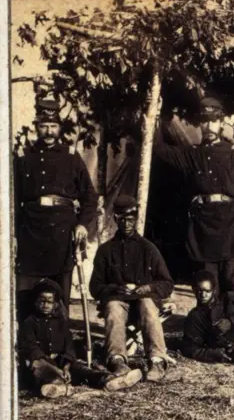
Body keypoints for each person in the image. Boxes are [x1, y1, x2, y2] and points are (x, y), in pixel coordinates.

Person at [153, 95, 234, 295]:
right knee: (207, 286)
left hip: (232, 227)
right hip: (203, 230)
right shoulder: (192, 155)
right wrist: (156, 115)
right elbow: (159, 149)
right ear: (199, 124)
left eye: (214, 121)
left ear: (221, 123)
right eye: (204, 121)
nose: (209, 126)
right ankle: (210, 325)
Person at [14, 97, 97, 319]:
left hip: (62, 232)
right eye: (44, 126)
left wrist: (82, 224)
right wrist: (14, 233)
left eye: (53, 126)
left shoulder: (71, 157)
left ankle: (61, 343)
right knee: (26, 291)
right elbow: (13, 199)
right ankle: (28, 343)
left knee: (60, 290)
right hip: (31, 232)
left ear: (59, 128)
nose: (49, 131)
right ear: (37, 127)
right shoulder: (24, 158)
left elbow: (90, 197)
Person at [89, 195, 174, 382]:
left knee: (148, 304)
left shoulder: (148, 249)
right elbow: (95, 287)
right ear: (115, 219)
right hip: (119, 302)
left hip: (143, 303)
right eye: (122, 219)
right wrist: (115, 289)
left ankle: (157, 361)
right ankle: (117, 360)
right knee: (113, 307)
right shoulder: (105, 250)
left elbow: (167, 284)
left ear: (136, 219)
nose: (127, 223)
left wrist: (147, 288)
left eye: (131, 219)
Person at [19, 279, 143, 399]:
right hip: (42, 362)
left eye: (49, 302)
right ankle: (56, 386)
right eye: (42, 301)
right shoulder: (29, 323)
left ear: (56, 304)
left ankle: (108, 380)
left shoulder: (61, 323)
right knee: (44, 371)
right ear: (35, 302)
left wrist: (67, 365)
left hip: (60, 361)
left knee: (81, 370)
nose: (45, 305)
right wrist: (56, 369)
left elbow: (68, 345)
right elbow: (32, 349)